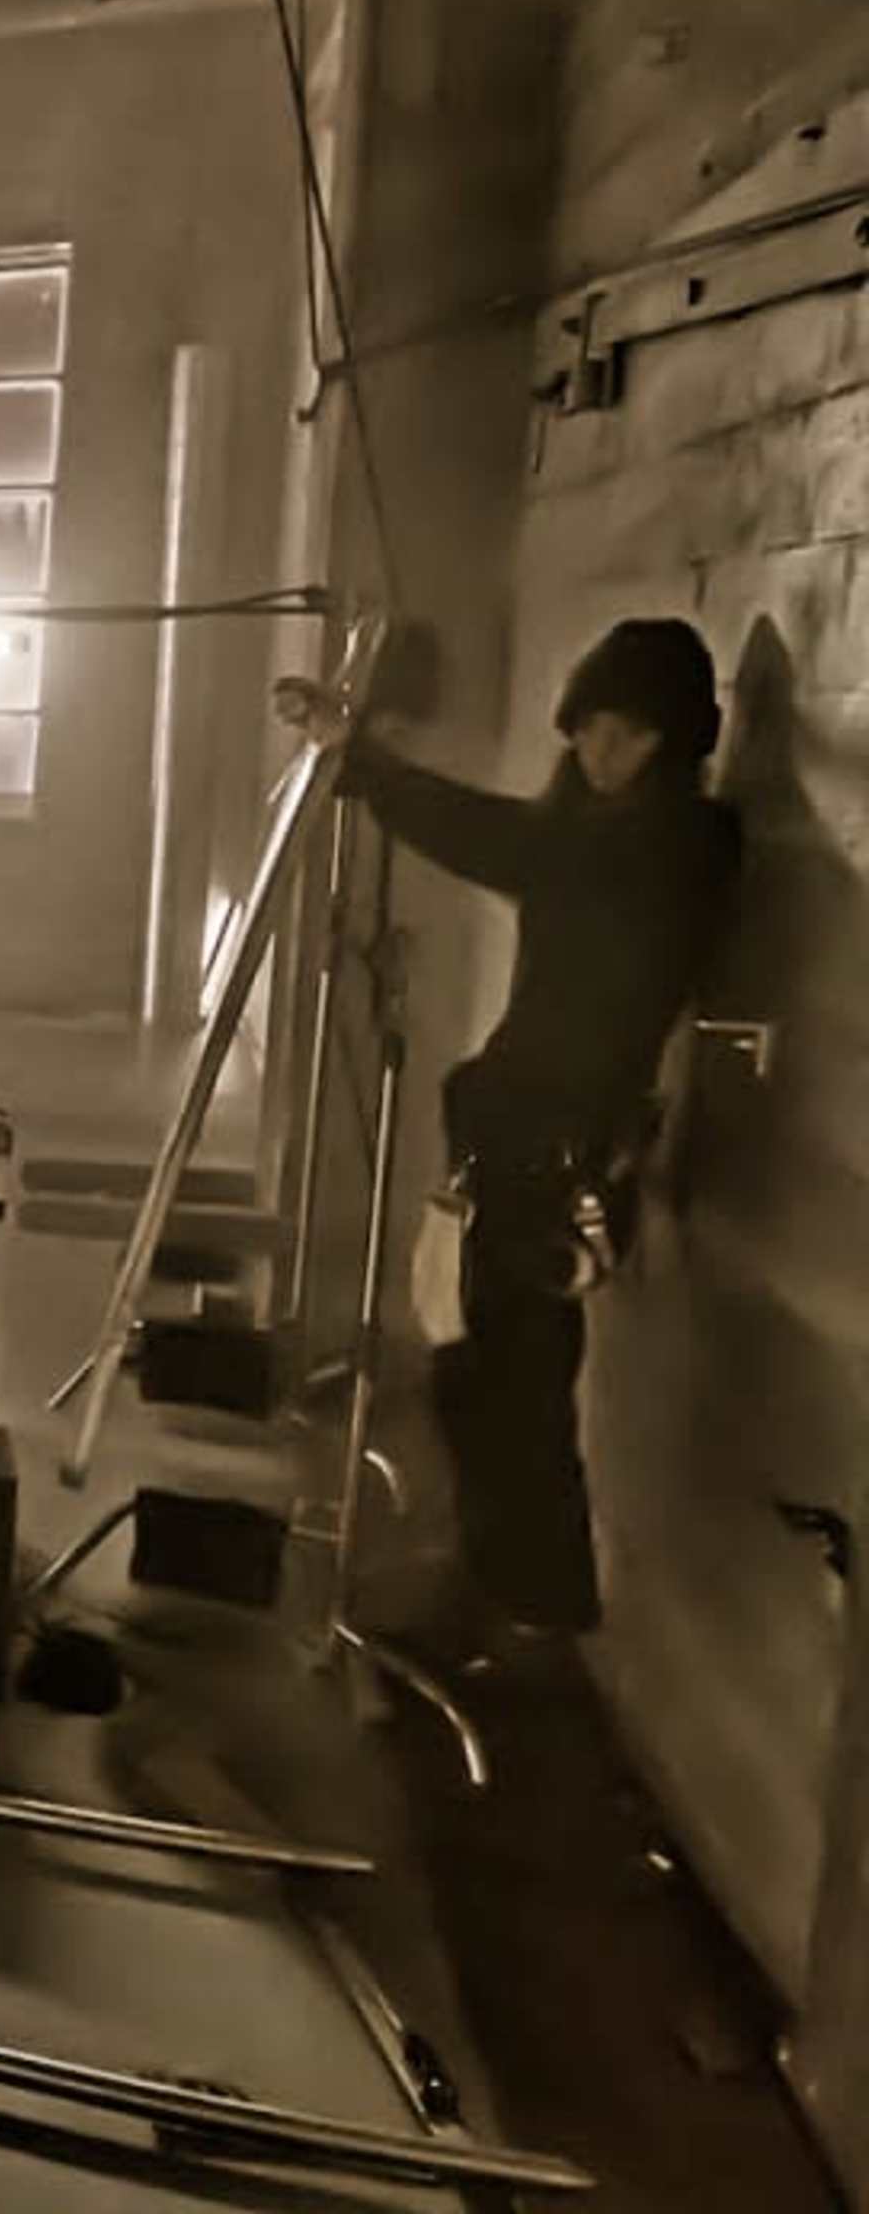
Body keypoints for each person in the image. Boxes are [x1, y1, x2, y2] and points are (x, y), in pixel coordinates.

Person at [278, 617, 741, 1661]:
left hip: (557, 1161)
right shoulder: (606, 838)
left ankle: (525, 1615)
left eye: (627, 735)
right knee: (477, 1375)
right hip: (512, 1141)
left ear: (673, 739)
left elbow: (523, 848)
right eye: (589, 732)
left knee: (516, 1390)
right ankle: (494, 1591)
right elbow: (538, 850)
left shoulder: (680, 842)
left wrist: (369, 767)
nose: (601, 754)